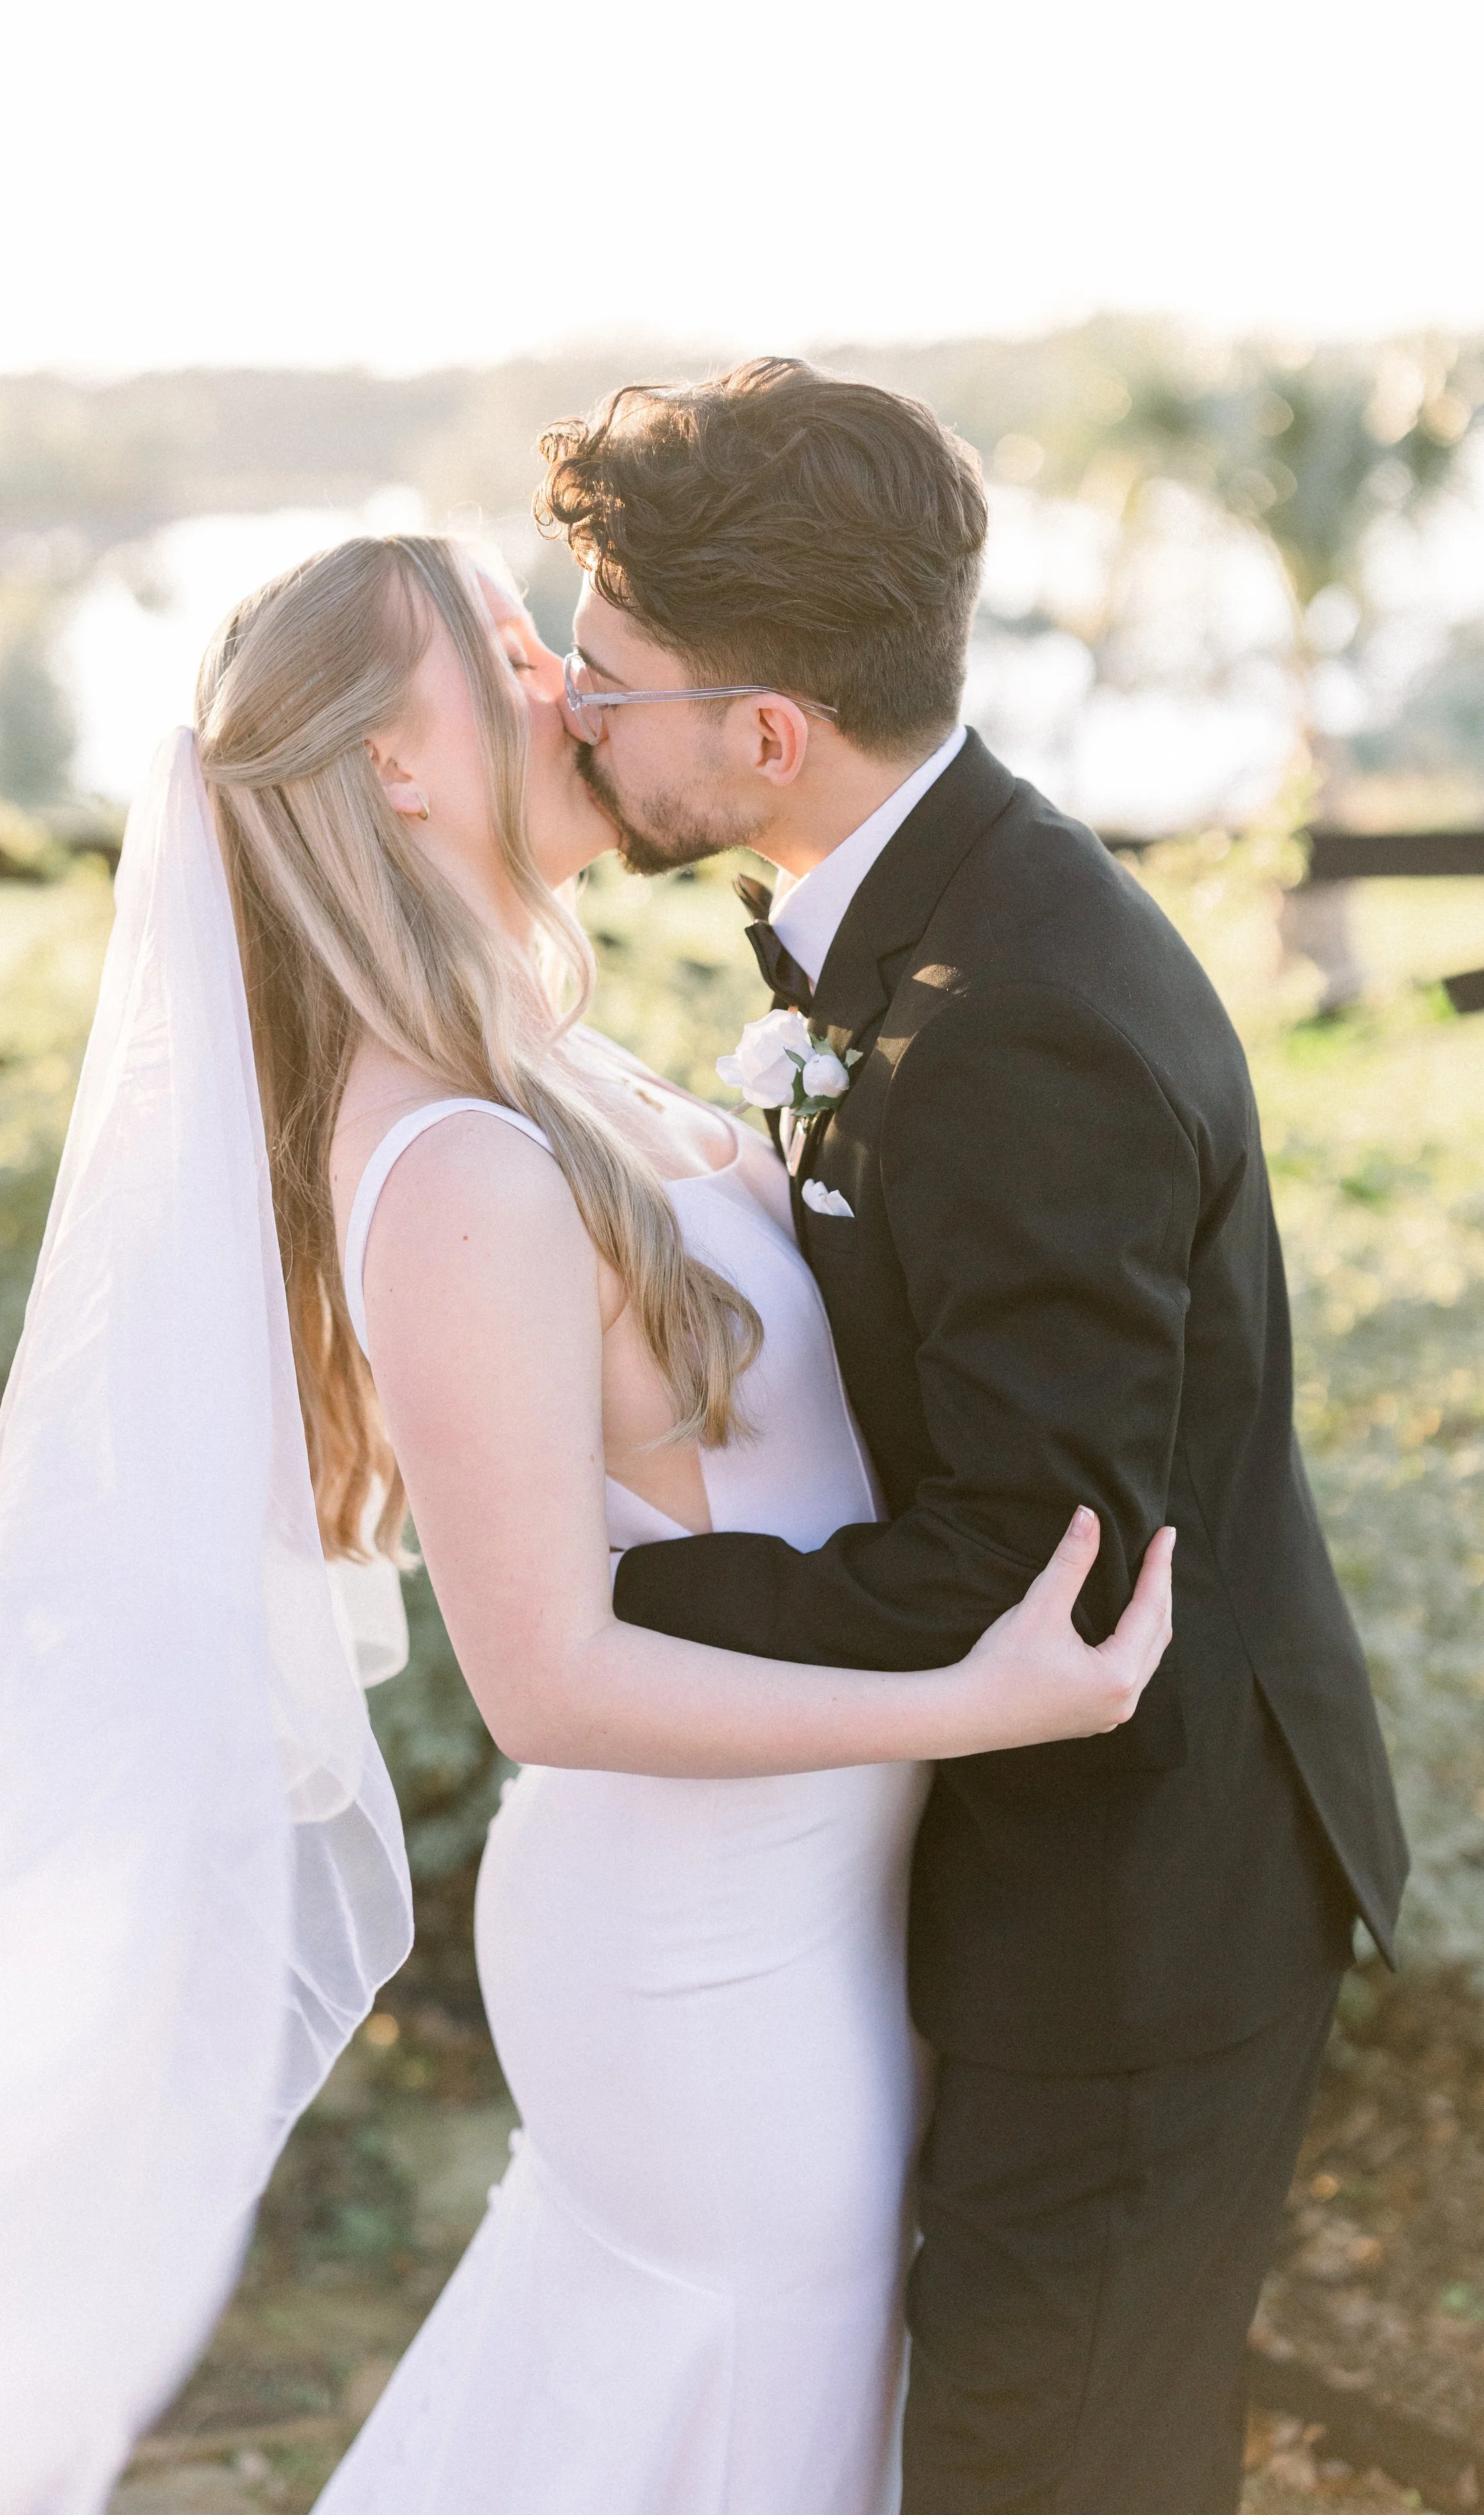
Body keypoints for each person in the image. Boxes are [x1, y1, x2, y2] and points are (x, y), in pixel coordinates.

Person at [188, 529, 1174, 2515]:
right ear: (395, 762)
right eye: (497, 649)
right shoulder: (457, 1157)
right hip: (698, 1951)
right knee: (739, 2430)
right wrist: (967, 1703)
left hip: (786, 1904)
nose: (562, 679)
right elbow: (544, 1680)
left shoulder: (539, 1064)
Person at [532, 357, 1410, 2515]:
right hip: (1031, 1855)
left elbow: (1046, 1566)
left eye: (604, 671)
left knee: (1047, 2461)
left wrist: (605, 1596)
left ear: (765, 730)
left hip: (1135, 1891)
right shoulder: (927, 921)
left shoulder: (1016, 1012)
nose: (567, 706)